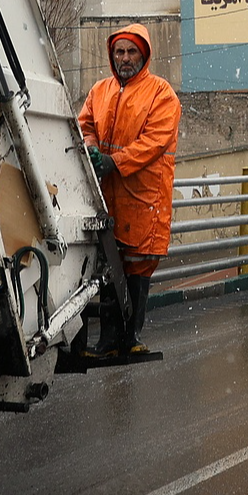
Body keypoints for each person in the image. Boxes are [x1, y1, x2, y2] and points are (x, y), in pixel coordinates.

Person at [75, 24, 181, 358]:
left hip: (143, 195)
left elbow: (154, 143)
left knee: (137, 264)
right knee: (109, 263)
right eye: (119, 52)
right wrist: (92, 149)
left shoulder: (161, 94)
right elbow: (85, 124)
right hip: (108, 193)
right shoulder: (100, 90)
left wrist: (114, 162)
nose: (124, 58)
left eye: (131, 51)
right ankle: (109, 340)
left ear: (144, 55)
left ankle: (131, 335)